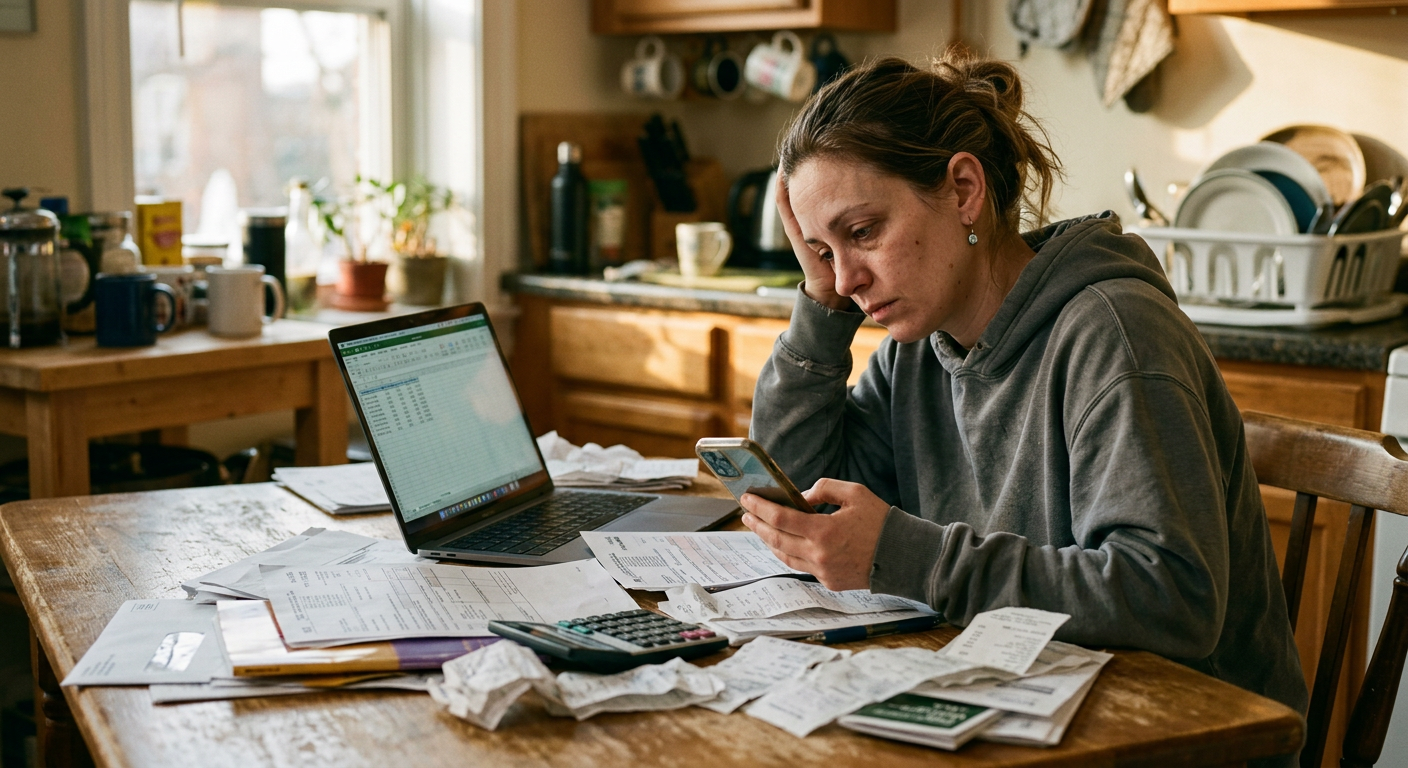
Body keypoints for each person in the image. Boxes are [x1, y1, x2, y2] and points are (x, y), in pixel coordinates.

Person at [741, 48, 1309, 735]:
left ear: (962, 189)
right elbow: (804, 494)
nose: (849, 277)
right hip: (1031, 711)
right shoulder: (918, 347)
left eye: (862, 232)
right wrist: (819, 299)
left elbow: (1172, 599)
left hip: (1182, 740)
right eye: (824, 250)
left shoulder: (1114, 334)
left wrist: (913, 556)